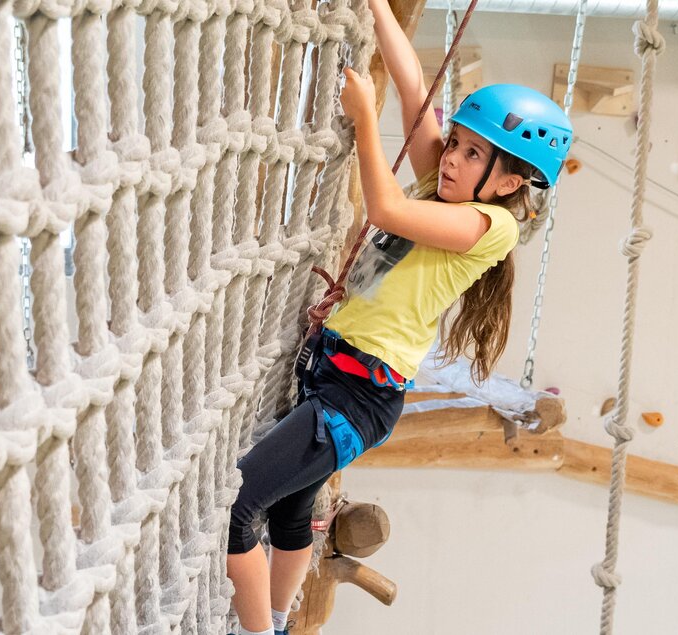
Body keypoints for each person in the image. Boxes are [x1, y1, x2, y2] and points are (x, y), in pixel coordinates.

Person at [224, 0, 573, 632]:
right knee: (288, 518)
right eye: (458, 144)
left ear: (508, 183)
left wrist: (363, 119)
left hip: (359, 396)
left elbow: (384, 210)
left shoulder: (489, 224)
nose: (451, 158)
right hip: (331, 373)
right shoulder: (443, 186)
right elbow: (415, 89)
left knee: (236, 504)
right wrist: (378, 7)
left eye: (473, 155)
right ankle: (276, 620)